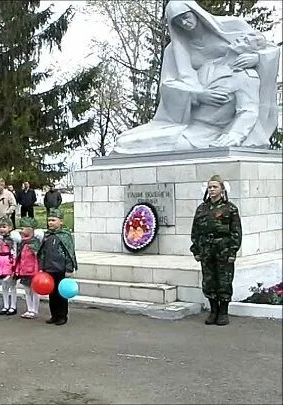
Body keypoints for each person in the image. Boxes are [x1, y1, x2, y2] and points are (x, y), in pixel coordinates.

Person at [113, 1, 279, 154]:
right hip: (188, 123)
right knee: (124, 140)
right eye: (179, 22)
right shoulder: (204, 66)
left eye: (186, 17)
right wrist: (197, 95)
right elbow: (169, 85)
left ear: (195, 12)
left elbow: (248, 110)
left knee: (128, 146)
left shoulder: (244, 72)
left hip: (209, 130)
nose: (185, 24)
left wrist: (258, 58)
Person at [191, 175, 242, 326]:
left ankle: (223, 312)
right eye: (209, 187)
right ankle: (213, 311)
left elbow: (236, 232)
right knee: (209, 281)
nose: (212, 190)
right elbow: (195, 231)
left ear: (222, 189)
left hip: (223, 250)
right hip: (206, 250)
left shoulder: (230, 208)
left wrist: (233, 251)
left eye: (215, 187)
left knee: (224, 281)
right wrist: (196, 250)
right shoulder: (202, 208)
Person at [37, 209, 77, 325]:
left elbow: (70, 253)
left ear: (61, 222)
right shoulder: (47, 236)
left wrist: (69, 268)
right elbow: (43, 252)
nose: (50, 223)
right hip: (49, 269)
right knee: (52, 294)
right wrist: (41, 267)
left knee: (61, 294)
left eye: (53, 220)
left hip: (61, 269)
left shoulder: (65, 236)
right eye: (49, 220)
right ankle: (54, 315)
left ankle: (62, 316)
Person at [0, 217, 17, 315]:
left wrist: (14, 265)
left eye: (4, 227)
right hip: (0, 263)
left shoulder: (12, 240)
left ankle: (13, 306)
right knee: (4, 286)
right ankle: (5, 305)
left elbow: (14, 253)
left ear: (10, 228)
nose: (2, 229)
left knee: (12, 286)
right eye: (0, 227)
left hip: (9, 263)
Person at [16, 217, 41, 319]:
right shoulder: (22, 242)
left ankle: (35, 310)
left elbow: (38, 256)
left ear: (31, 229)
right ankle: (29, 308)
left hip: (33, 270)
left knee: (34, 290)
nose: (22, 231)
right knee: (26, 290)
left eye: (24, 228)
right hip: (24, 269)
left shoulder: (35, 242)